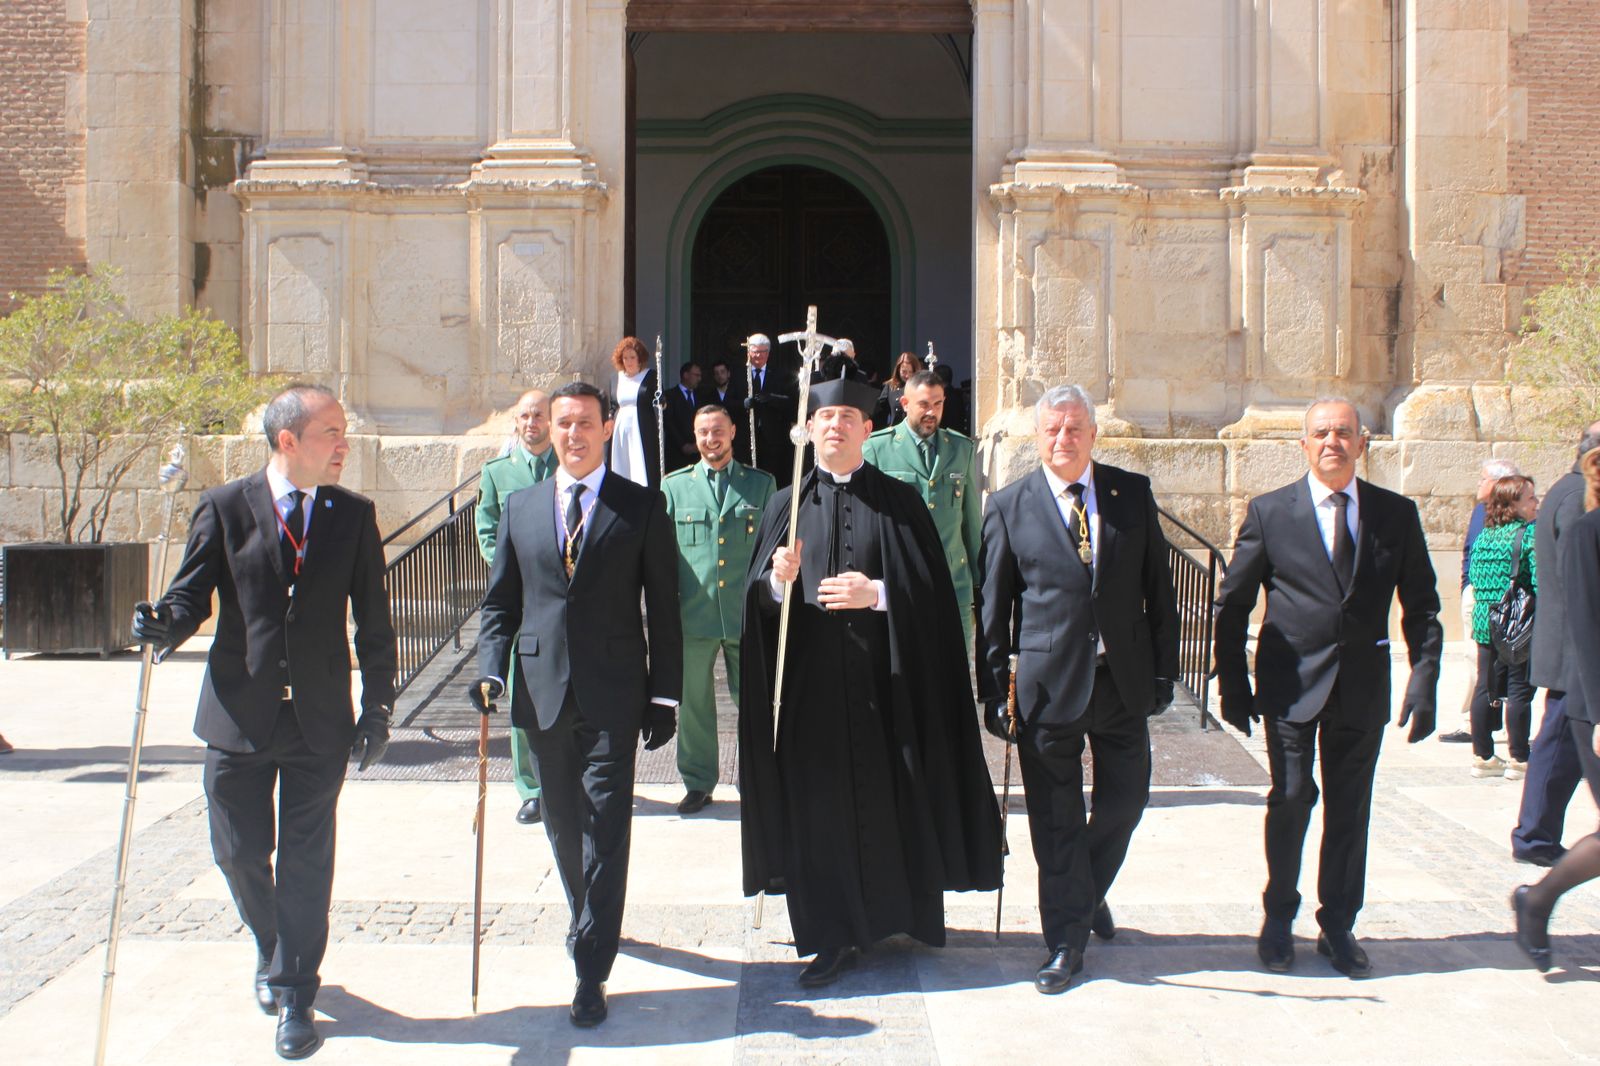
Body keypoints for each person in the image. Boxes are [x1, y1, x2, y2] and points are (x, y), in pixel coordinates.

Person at [132, 383, 397, 1060]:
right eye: (331, 433)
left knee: (308, 863)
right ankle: (272, 942)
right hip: (237, 716)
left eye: (344, 433)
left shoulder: (352, 514)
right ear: (288, 441)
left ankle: (295, 995)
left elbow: (374, 623)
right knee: (239, 852)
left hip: (319, 724)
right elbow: (192, 594)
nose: (344, 445)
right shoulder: (224, 507)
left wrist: (378, 709)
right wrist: (165, 622)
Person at [738, 375, 1003, 989]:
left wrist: (877, 593)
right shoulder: (783, 504)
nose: (835, 427)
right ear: (808, 430)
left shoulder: (901, 499)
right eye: (824, 419)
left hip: (889, 688)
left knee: (894, 799)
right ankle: (831, 936)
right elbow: (755, 610)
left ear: (866, 429)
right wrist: (776, 582)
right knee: (821, 814)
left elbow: (933, 595)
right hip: (812, 698)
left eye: (848, 418)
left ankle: (896, 915)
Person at [470, 381, 681, 1028]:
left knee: (608, 827)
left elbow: (664, 608)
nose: (573, 434)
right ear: (550, 430)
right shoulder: (522, 507)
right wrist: (489, 672)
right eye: (563, 424)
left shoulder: (640, 507)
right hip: (541, 696)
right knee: (564, 827)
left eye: (585, 423)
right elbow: (500, 604)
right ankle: (586, 919)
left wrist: (664, 693)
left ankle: (591, 965)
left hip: (615, 695)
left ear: (607, 426)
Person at [1214, 397, 1442, 979]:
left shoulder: (1395, 514)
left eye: (1343, 432)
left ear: (1362, 443)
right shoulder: (1271, 513)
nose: (1332, 442)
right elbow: (1234, 603)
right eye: (1320, 433)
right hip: (1290, 686)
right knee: (1290, 800)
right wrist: (1234, 686)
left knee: (1350, 809)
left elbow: (1421, 605)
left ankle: (1338, 923)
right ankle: (1277, 916)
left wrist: (1425, 677)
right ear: (1303, 445)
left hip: (1362, 688)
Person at [975, 384, 1180, 995]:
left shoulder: (1130, 495)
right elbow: (993, 607)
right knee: (1056, 821)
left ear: (1093, 434)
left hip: (1120, 683)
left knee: (1126, 802)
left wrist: (1165, 671)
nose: (1063, 439)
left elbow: (1159, 592)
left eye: (1074, 429)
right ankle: (1066, 940)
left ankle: (1084, 892)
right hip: (1046, 688)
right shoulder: (1011, 505)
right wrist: (993, 690)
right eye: (1052, 430)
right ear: (1037, 438)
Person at [661, 405, 775, 814]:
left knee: (754, 703)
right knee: (694, 704)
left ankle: (755, 776)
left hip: (745, 615)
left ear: (733, 433)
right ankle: (697, 780)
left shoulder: (760, 485)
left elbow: (770, 549)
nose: (711, 439)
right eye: (704, 432)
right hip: (694, 615)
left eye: (718, 431)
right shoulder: (674, 487)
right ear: (695, 436)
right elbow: (663, 558)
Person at [1512, 446, 1600, 972]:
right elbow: (1585, 632)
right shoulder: (1588, 535)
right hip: (1593, 701)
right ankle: (1539, 899)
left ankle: (1538, 899)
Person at [475, 388, 558, 825]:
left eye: (539, 415)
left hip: (560, 597)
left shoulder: (569, 466)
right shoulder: (496, 473)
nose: (532, 423)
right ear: (516, 422)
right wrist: (509, 567)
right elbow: (487, 528)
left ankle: (569, 780)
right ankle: (532, 788)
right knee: (520, 692)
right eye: (525, 416)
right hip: (519, 597)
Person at [863, 369, 982, 648]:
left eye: (938, 404)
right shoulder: (879, 448)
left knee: (956, 677)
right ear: (905, 405)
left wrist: (980, 585)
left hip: (955, 586)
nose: (932, 412)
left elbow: (971, 522)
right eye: (924, 404)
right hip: (901, 583)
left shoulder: (961, 448)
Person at [1441, 458, 1523, 742]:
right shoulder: (1480, 511)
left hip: (1501, 601)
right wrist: (1466, 586)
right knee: (1476, 659)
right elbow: (1471, 552)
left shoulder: (1516, 518)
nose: (1479, 483)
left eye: (1483, 478)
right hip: (1478, 595)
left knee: (1494, 664)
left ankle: (1485, 725)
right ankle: (1475, 722)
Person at [1465, 474, 1539, 779]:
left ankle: (1482, 756)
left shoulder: (1485, 536)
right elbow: (1538, 580)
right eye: (1531, 498)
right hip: (1517, 621)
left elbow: (1475, 577)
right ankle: (1519, 758)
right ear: (1514, 504)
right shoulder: (1526, 536)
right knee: (1519, 689)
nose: (1536, 503)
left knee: (1485, 686)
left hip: (1486, 619)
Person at [605, 336, 661, 488]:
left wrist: (663, 401)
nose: (628, 361)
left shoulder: (650, 376)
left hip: (642, 427)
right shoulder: (616, 378)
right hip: (621, 429)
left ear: (639, 358)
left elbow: (660, 400)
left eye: (632, 357)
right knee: (621, 464)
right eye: (625, 358)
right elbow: (613, 405)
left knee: (641, 465)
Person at [743, 333, 796, 486]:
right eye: (755, 352)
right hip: (746, 439)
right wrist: (744, 403)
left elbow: (791, 403)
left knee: (772, 478)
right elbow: (727, 402)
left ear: (768, 353)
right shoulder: (740, 374)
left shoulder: (781, 374)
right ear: (749, 352)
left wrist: (772, 398)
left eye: (762, 352)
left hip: (773, 440)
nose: (758, 356)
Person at [662, 361, 702, 473]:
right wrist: (683, 445)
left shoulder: (700, 396)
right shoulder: (670, 395)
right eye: (696, 375)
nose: (699, 379)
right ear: (686, 375)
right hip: (676, 454)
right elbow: (668, 422)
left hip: (696, 454)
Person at [872, 351, 920, 428]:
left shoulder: (920, 387)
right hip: (895, 430)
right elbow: (879, 411)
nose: (907, 375)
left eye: (910, 372)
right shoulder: (890, 386)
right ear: (898, 370)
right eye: (904, 372)